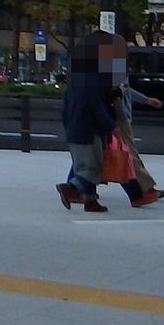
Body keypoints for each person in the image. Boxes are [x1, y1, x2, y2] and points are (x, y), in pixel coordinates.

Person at [57, 30, 123, 213]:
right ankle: (69, 188)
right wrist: (111, 126)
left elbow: (68, 105)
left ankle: (90, 201)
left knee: (83, 165)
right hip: (88, 129)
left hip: (74, 126)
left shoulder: (78, 77)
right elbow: (96, 105)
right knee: (93, 167)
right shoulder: (93, 79)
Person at [113, 75, 164, 208]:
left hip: (117, 116)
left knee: (100, 152)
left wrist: (145, 100)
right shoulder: (111, 63)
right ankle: (144, 188)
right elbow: (117, 92)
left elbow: (123, 90)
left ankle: (76, 185)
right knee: (129, 154)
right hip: (119, 117)